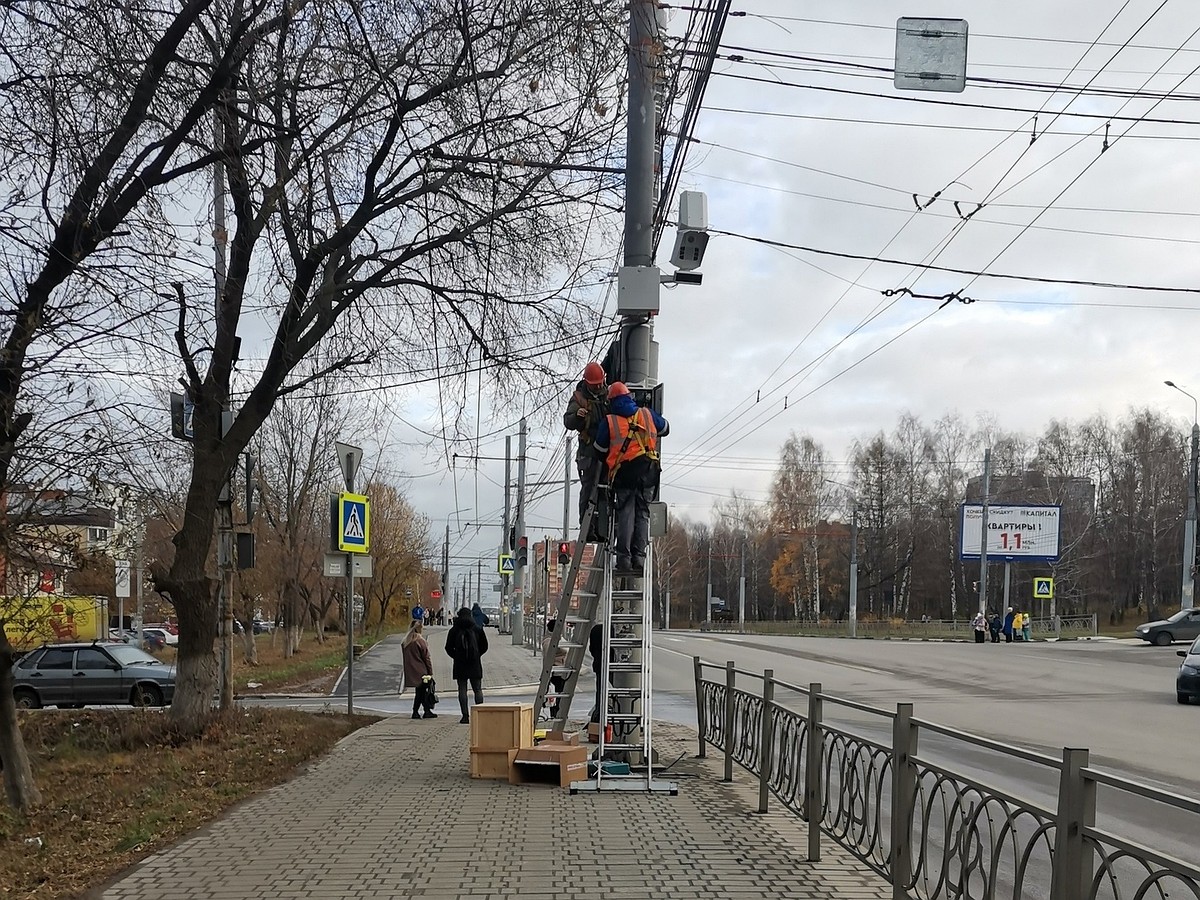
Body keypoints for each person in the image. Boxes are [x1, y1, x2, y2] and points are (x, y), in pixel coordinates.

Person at [593, 382, 669, 574]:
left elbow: (599, 450)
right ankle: (639, 558)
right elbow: (665, 428)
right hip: (648, 471)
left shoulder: (609, 421)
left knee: (626, 513)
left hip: (623, 473)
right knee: (642, 513)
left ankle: (624, 559)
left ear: (610, 401)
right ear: (630, 397)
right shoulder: (646, 414)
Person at [563, 361, 609, 535]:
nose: (599, 387)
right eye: (596, 385)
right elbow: (568, 421)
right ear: (588, 383)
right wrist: (577, 416)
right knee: (589, 490)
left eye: (600, 384)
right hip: (588, 453)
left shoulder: (607, 395)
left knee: (605, 491)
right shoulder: (578, 398)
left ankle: (602, 528)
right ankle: (587, 527)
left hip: (606, 452)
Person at [446, 607, 489, 723]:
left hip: (460, 664)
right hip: (475, 664)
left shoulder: (454, 630)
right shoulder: (477, 628)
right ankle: (480, 715)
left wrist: (456, 656)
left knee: (462, 690)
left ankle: (465, 716)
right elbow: (484, 646)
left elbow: (448, 648)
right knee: (477, 690)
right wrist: (477, 655)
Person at [402, 621, 437, 719]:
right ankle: (417, 711)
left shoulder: (405, 642)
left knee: (420, 692)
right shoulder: (420, 641)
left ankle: (425, 711)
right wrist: (430, 671)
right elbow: (427, 657)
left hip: (411, 671)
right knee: (421, 692)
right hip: (421, 670)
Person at [542, 618, 567, 720]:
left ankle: (558, 714)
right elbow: (549, 656)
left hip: (561, 671)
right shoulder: (549, 641)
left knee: (560, 695)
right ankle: (556, 715)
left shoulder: (557, 639)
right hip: (556, 672)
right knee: (558, 695)